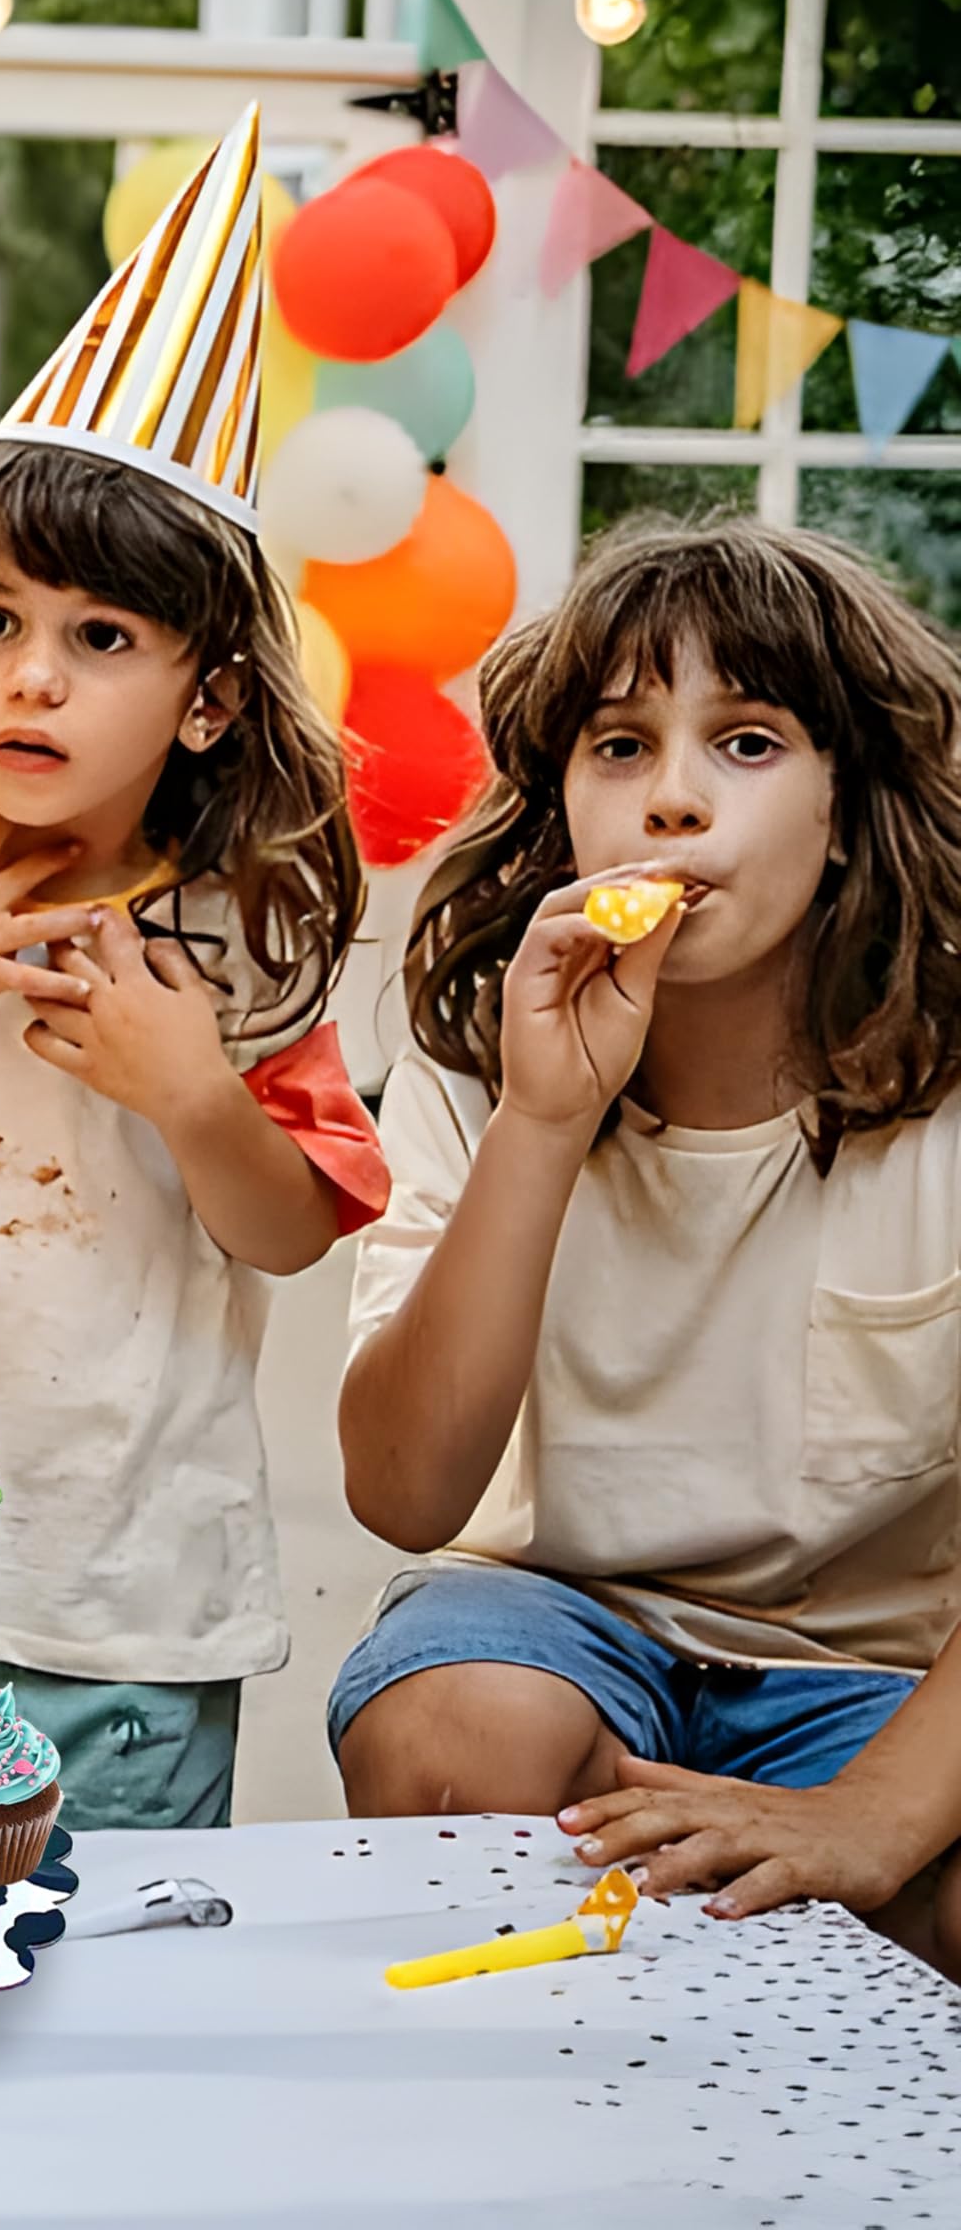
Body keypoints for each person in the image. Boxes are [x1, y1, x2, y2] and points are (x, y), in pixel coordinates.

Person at [0, 107, 386, 1830]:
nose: (30, 680)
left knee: (97, 1997)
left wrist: (194, 1093)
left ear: (207, 695)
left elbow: (288, 1228)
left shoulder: (240, 944)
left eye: (99, 638)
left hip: (127, 1608)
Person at [333, 516, 961, 1972]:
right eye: (621, 747)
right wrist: (544, 1126)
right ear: (562, 809)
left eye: (745, 743)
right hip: (544, 1618)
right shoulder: (484, 1063)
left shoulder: (942, 1098)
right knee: (455, 1742)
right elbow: (405, 1492)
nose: (673, 799)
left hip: (859, 1672)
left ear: (848, 804)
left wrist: (869, 1816)